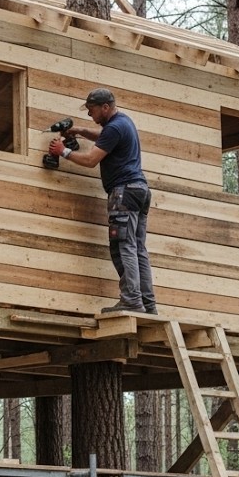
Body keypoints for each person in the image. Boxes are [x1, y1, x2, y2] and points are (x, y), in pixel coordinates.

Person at [47, 87, 156, 314]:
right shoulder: (123, 122)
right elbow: (103, 137)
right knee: (137, 249)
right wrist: (78, 130)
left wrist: (63, 151)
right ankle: (148, 304)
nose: (90, 114)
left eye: (92, 109)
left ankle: (132, 301)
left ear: (105, 107)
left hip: (124, 192)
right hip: (139, 191)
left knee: (123, 246)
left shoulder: (115, 127)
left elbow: (90, 160)